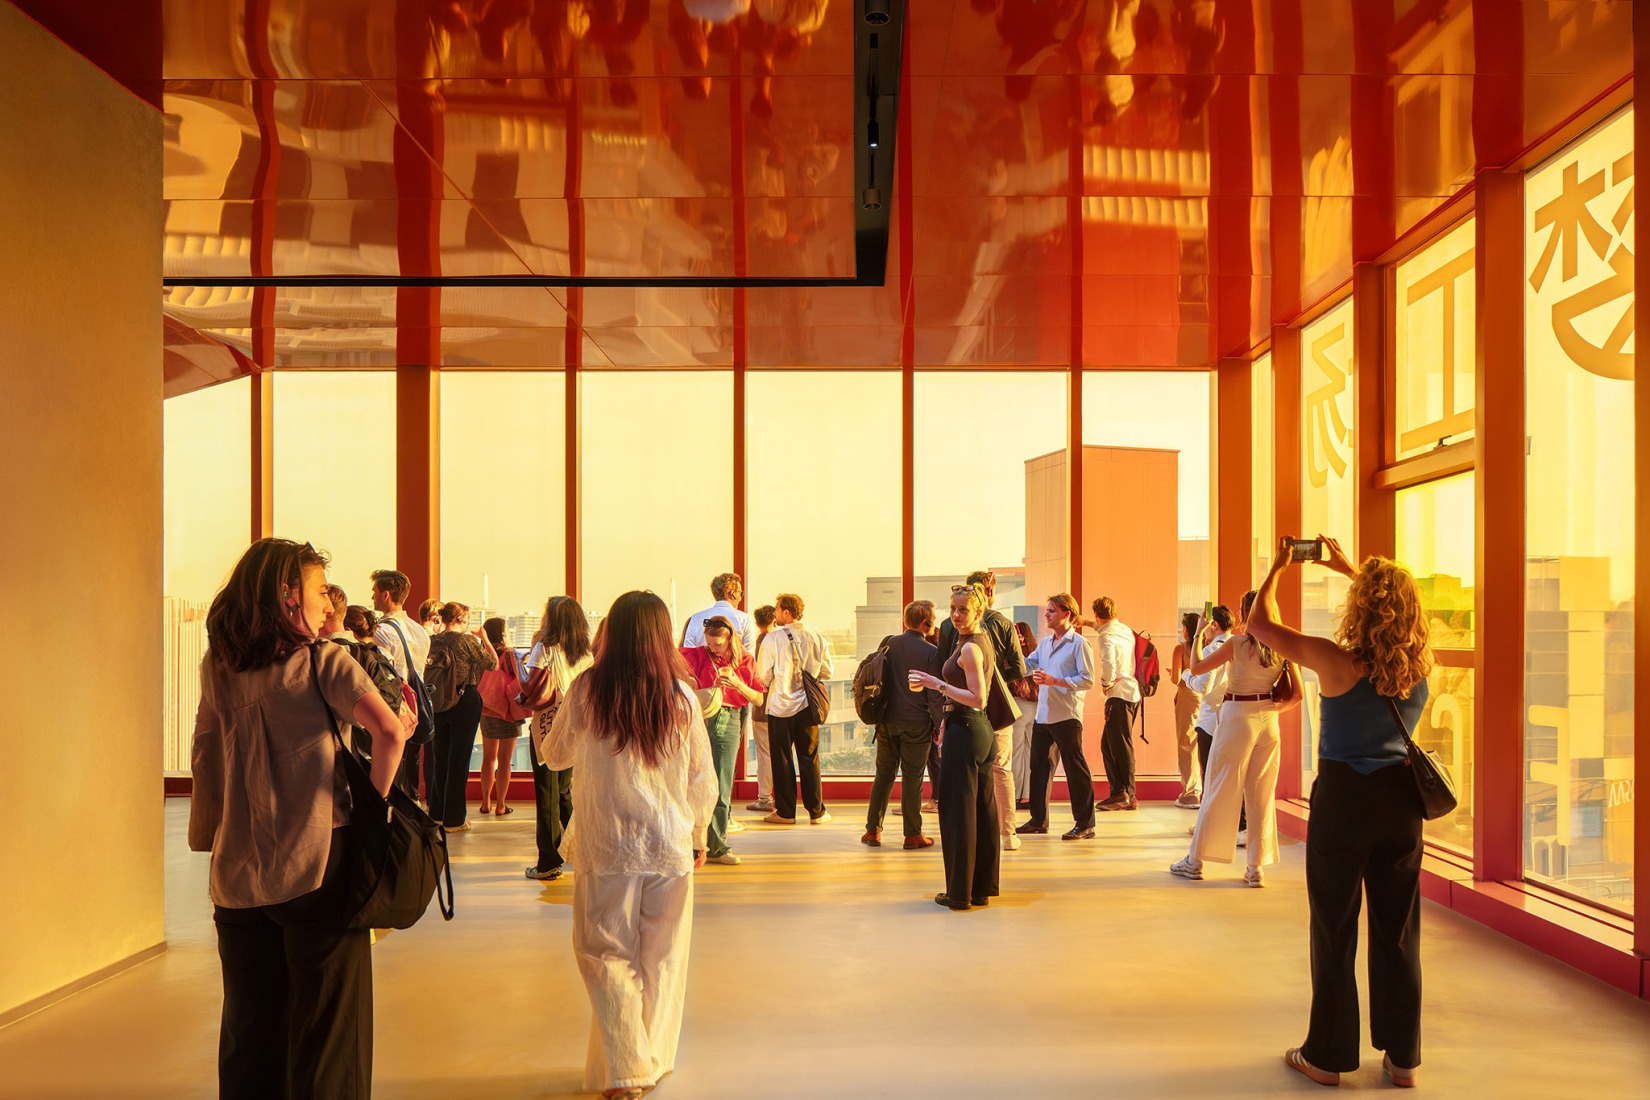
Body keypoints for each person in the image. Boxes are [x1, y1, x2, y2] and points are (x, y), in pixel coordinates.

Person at [189, 538, 408, 1098]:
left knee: (250, 1034)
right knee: (329, 1038)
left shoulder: (219, 667)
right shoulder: (323, 661)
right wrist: (370, 816)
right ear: (289, 598)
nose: (328, 608)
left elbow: (205, 753)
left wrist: (207, 833)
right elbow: (388, 733)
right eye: (316, 592)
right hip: (318, 866)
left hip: (237, 875)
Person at [1247, 537, 1433, 1089]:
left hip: (1345, 800)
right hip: (1401, 803)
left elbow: (1259, 623)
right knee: (1398, 931)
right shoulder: (1422, 665)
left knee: (1334, 927)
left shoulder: (1335, 660)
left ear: (1361, 607)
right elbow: (1390, 612)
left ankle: (1327, 1057)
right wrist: (1361, 573)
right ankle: (1403, 1061)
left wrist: (1281, 565)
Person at [540, 590, 719, 1100]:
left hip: (607, 843)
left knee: (603, 954)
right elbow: (702, 778)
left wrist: (542, 714)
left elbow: (554, 757)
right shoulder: (682, 696)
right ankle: (649, 1059)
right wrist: (699, 833)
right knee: (662, 959)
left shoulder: (587, 689)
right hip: (669, 843)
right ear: (663, 636)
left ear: (610, 633)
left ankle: (627, 1069)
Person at [1170, 589, 1284, 886]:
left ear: (1248, 613)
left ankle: (1195, 861)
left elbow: (1196, 669)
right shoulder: (1281, 647)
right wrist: (1267, 707)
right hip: (1270, 719)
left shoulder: (1236, 643)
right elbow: (1295, 692)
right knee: (1261, 794)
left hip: (1237, 715)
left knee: (1217, 787)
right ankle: (1255, 868)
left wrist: (1196, 637)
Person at [910, 584, 1000, 911]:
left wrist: (937, 684)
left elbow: (979, 698)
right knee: (980, 813)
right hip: (972, 729)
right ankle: (978, 889)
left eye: (963, 609)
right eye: (953, 608)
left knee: (958, 814)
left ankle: (960, 894)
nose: (956, 615)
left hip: (969, 729)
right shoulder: (974, 642)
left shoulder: (970, 648)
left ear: (978, 611)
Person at [936, 570, 1027, 849]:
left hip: (961, 708)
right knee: (1000, 770)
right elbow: (1020, 668)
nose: (957, 613)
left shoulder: (950, 626)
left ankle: (970, 837)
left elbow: (943, 666)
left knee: (966, 774)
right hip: (995, 708)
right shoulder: (1002, 623)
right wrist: (991, 676)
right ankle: (1007, 833)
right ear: (989, 592)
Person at [680, 615, 764, 865]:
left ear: (729, 639)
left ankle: (716, 845)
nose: (712, 648)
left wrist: (737, 683)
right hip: (699, 717)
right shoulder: (694, 655)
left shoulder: (745, 660)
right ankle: (691, 844)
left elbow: (759, 699)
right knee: (691, 779)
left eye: (717, 644)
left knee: (721, 783)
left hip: (729, 716)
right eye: (709, 642)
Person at [861, 600, 944, 850]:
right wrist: (941, 725)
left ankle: (872, 831)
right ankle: (912, 834)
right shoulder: (931, 652)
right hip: (917, 723)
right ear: (926, 623)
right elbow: (933, 695)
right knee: (913, 778)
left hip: (886, 721)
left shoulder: (888, 643)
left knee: (883, 776)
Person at [1017, 593, 1099, 840]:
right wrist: (1007, 652)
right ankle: (1038, 820)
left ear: (1067, 613)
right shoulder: (1044, 643)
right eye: (1047, 610)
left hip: (1067, 715)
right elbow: (1026, 665)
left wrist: (1055, 681)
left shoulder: (1079, 644)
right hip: (1044, 715)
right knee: (1038, 768)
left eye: (1051, 610)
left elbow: (1088, 679)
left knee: (1075, 770)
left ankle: (1085, 824)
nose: (1046, 614)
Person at [523, 595, 593, 881]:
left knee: (547, 793)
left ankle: (548, 861)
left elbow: (531, 684)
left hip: (547, 724)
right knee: (566, 791)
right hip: (576, 725)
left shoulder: (544, 648)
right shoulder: (586, 652)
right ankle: (584, 850)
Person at [754, 592, 833, 825]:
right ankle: (817, 811)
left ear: (786, 613)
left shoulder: (773, 639)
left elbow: (763, 676)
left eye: (777, 610)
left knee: (782, 759)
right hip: (808, 706)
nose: (775, 614)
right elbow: (828, 672)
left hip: (780, 707)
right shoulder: (817, 636)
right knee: (809, 757)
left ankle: (786, 812)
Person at [424, 602, 498, 832]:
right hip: (463, 700)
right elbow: (493, 664)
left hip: (437, 702)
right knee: (459, 760)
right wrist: (484, 638)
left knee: (441, 757)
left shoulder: (433, 641)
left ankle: (436, 812)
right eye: (466, 619)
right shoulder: (467, 642)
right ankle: (454, 819)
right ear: (458, 619)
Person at [371, 569, 432, 798]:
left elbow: (382, 672)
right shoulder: (420, 631)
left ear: (386, 595)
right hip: (416, 705)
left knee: (390, 769)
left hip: (393, 704)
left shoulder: (383, 632)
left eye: (374, 592)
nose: (372, 598)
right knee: (411, 767)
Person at [1090, 596, 1141, 810]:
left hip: (1117, 694)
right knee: (1114, 744)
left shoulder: (1105, 637)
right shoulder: (1125, 630)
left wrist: (1105, 683)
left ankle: (1125, 794)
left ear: (1096, 614)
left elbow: (1108, 662)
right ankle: (1122, 792)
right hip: (1132, 692)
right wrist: (1085, 623)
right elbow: (1102, 627)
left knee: (1120, 746)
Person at [477, 617, 524, 817]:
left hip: (486, 708)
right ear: (502, 632)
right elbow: (521, 678)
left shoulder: (481, 653)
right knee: (505, 760)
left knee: (488, 759)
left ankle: (485, 802)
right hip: (507, 711)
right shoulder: (509, 654)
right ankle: (501, 805)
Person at [745, 604, 777, 813]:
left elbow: (759, 677)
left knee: (765, 754)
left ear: (757, 623)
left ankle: (765, 798)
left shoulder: (761, 642)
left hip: (763, 706)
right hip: (782, 706)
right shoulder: (781, 640)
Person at [1169, 611, 1204, 808]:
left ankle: (1190, 792)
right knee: (1204, 743)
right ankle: (1204, 789)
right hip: (1205, 697)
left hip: (1187, 696)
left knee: (1186, 743)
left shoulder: (1180, 649)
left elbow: (1176, 678)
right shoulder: (1206, 648)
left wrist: (1178, 674)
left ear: (1185, 629)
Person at [679, 572, 758, 651]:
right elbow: (749, 657)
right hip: (734, 663)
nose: (741, 598)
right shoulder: (745, 619)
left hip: (700, 663)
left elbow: (688, 654)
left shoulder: (695, 619)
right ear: (732, 594)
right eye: (741, 593)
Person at [1009, 618, 1040, 809]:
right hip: (1035, 707)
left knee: (1015, 752)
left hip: (1017, 705)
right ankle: (1028, 795)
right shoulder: (1037, 653)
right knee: (1030, 752)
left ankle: (1012, 795)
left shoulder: (1013, 656)